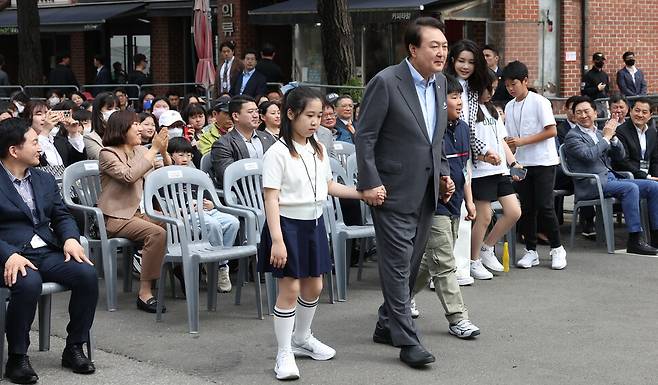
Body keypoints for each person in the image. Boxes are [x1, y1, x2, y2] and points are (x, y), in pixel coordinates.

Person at [355, 17, 453, 368]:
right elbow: (365, 136)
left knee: (412, 264)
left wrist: (443, 173)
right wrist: (370, 182)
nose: (442, 52)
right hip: (390, 190)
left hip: (426, 189)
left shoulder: (440, 83)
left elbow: (434, 138)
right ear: (413, 49)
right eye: (434, 46)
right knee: (397, 265)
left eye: (444, 46)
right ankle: (407, 340)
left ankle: (386, 323)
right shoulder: (386, 82)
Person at [259, 86, 363, 380]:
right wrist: (277, 240)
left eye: (319, 115)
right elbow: (271, 198)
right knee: (290, 289)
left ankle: (302, 338)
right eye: (309, 115)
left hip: (314, 223)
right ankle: (284, 352)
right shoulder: (276, 153)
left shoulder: (317, 147)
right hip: (287, 226)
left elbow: (329, 186)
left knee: (315, 286)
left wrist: (360, 193)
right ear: (290, 115)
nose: (316, 121)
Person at [0, 118, 97, 383]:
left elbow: (61, 215)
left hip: (46, 250)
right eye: (34, 142)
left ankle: (74, 347)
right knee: (28, 283)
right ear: (14, 150)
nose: (40, 147)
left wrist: (70, 238)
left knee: (86, 275)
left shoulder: (43, 179)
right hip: (9, 256)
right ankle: (17, 358)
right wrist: (8, 253)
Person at [408, 74, 480, 337]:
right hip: (432, 205)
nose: (458, 102)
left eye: (460, 96)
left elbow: (464, 169)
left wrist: (469, 202)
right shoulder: (430, 130)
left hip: (455, 204)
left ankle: (399, 299)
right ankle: (458, 318)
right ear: (438, 101)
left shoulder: (462, 129)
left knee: (430, 261)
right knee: (446, 263)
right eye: (452, 97)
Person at [97, 110, 172, 312]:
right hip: (117, 217)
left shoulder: (140, 151)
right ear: (122, 129)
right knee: (157, 233)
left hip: (141, 213)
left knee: (175, 223)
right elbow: (129, 176)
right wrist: (153, 148)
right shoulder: (107, 153)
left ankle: (179, 270)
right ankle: (145, 293)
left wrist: (163, 150)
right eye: (135, 125)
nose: (141, 129)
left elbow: (165, 171)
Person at [564, 96, 658, 254]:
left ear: (595, 113)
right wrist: (607, 137)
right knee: (630, 188)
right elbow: (589, 156)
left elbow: (620, 156)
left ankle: (655, 236)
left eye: (587, 111)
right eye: (578, 112)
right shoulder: (573, 136)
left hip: (610, 178)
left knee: (654, 187)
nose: (583, 115)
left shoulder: (600, 132)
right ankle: (634, 239)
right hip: (591, 183)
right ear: (574, 116)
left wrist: (613, 139)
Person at [502, 60, 567, 270]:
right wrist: (512, 155)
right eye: (507, 85)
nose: (511, 89)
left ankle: (557, 248)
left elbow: (552, 131)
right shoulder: (509, 106)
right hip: (522, 163)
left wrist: (522, 141)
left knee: (545, 206)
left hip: (544, 162)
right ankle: (531, 251)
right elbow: (510, 138)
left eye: (514, 84)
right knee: (527, 208)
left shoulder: (540, 102)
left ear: (525, 81)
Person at [167, 137, 240, 293]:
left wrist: (211, 204)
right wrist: (182, 208)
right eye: (180, 155)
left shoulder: (196, 174)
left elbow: (210, 196)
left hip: (205, 210)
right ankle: (218, 265)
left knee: (232, 222)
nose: (185, 159)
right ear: (170, 155)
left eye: (189, 155)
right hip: (185, 214)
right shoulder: (166, 175)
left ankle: (220, 265)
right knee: (212, 225)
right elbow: (164, 201)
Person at [469, 79, 522, 279]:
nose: (491, 91)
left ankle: (486, 248)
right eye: (487, 86)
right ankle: (473, 261)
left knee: (514, 212)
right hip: (481, 171)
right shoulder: (470, 109)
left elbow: (502, 140)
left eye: (493, 87)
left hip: (501, 170)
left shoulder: (492, 110)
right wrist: (484, 157)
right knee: (484, 217)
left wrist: (514, 163)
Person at [444, 40, 495, 164]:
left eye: (471, 62)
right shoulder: (443, 84)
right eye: (461, 61)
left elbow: (469, 130)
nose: (466, 66)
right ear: (452, 60)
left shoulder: (473, 90)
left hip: (466, 155)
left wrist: (486, 149)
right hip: (447, 151)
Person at [210, 95, 276, 187]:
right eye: (250, 112)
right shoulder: (223, 144)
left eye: (257, 111)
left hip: (272, 191)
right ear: (236, 116)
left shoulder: (268, 138)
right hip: (241, 196)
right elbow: (229, 176)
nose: (256, 115)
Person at [612, 98, 658, 179]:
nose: (640, 115)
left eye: (644, 112)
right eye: (637, 110)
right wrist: (646, 177)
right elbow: (623, 161)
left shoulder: (652, 132)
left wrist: (655, 176)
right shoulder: (621, 131)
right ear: (630, 111)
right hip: (629, 176)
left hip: (649, 175)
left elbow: (655, 160)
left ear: (650, 115)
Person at [84, 92, 118, 160]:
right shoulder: (89, 137)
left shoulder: (126, 132)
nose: (114, 112)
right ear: (99, 112)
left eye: (116, 108)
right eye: (109, 109)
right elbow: (105, 159)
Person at [581, 52, 610, 117]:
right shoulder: (588, 75)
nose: (601, 62)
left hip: (604, 102)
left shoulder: (605, 75)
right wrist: (597, 89)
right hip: (594, 102)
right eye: (598, 60)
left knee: (605, 120)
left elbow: (607, 89)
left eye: (602, 60)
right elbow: (584, 91)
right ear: (593, 61)